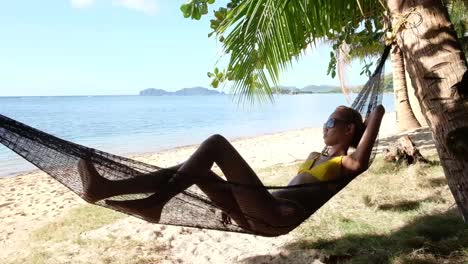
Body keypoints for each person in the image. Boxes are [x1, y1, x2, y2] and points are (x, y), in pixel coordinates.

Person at [78, 105, 385, 236]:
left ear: (348, 130)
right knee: (200, 172)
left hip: (276, 215)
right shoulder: (315, 154)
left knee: (216, 144)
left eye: (330, 122)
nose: (324, 126)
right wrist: (238, 201)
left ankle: (148, 201)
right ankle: (113, 190)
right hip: (258, 208)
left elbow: (359, 162)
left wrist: (378, 115)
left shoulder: (345, 162)